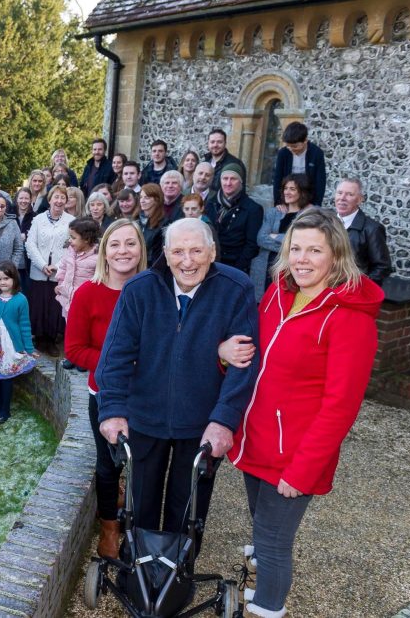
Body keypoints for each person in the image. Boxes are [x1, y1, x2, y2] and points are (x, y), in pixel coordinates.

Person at [225, 208, 383, 618]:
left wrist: (303, 469)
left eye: (315, 250)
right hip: (257, 437)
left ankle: (266, 609)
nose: (302, 258)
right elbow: (257, 354)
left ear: (336, 255)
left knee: (274, 544)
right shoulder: (280, 291)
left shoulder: (350, 318)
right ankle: (257, 583)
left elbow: (341, 405)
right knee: (261, 529)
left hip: (294, 455)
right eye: (296, 248)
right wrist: (225, 354)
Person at [96, 217, 259, 559]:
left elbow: (244, 364)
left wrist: (224, 420)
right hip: (146, 415)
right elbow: (115, 356)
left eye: (197, 250)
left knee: (188, 510)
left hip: (201, 421)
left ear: (212, 252)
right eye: (179, 251)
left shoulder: (236, 288)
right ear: (166, 254)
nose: (188, 261)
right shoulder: (139, 290)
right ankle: (138, 569)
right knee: (141, 503)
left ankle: (177, 573)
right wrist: (111, 410)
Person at [65, 219, 147, 558]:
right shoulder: (89, 292)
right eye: (115, 244)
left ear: (141, 249)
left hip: (147, 394)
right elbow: (74, 349)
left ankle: (142, 524)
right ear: (104, 251)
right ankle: (109, 527)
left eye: (131, 243)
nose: (123, 251)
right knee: (107, 464)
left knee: (144, 462)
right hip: (106, 394)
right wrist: (115, 363)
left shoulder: (154, 291)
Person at [0, 262, 36, 424]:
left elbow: (25, 325)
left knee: (6, 377)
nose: (2, 282)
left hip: (10, 345)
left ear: (14, 279)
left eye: (6, 278)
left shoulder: (21, 300)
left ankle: (5, 409)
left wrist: (28, 348)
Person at [25, 186, 75, 356]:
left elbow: (72, 247)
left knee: (55, 307)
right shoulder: (38, 219)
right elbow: (30, 244)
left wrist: (57, 266)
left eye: (63, 198)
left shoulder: (71, 220)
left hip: (59, 272)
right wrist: (42, 265)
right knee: (39, 306)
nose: (59, 201)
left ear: (66, 201)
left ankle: (52, 340)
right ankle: (40, 339)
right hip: (39, 272)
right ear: (50, 200)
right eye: (56, 197)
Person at [251, 174, 313, 300]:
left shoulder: (309, 215)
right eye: (286, 188)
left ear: (302, 192)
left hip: (288, 270)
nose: (287, 192)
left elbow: (302, 242)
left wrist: (275, 236)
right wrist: (288, 242)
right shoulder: (274, 212)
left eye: (292, 189)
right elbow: (261, 239)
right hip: (265, 268)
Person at [334, 178, 393, 285]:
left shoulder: (373, 229)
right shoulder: (324, 222)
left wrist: (360, 287)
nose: (342, 198)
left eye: (349, 194)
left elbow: (382, 267)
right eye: (339, 193)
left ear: (360, 199)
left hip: (352, 293)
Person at [208, 164, 263, 274]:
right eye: (225, 178)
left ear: (241, 181)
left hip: (234, 267)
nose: (228, 183)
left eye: (233, 179)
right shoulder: (210, 203)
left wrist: (237, 270)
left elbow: (252, 246)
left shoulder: (253, 209)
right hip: (209, 263)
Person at [272, 121, 327, 207]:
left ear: (305, 140)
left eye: (295, 146)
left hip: (307, 198)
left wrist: (315, 204)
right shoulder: (283, 153)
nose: (291, 149)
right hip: (287, 197)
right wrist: (279, 202)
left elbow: (320, 181)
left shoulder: (316, 153)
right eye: (288, 146)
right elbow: (278, 178)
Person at [55, 218, 100, 322]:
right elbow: (63, 269)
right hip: (68, 302)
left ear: (86, 239)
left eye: (73, 238)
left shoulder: (98, 258)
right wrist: (60, 284)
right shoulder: (70, 252)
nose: (70, 240)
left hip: (86, 305)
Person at [137, 183, 166, 266]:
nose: (142, 201)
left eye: (147, 198)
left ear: (157, 200)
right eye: (141, 197)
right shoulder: (137, 220)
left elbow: (160, 255)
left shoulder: (164, 224)